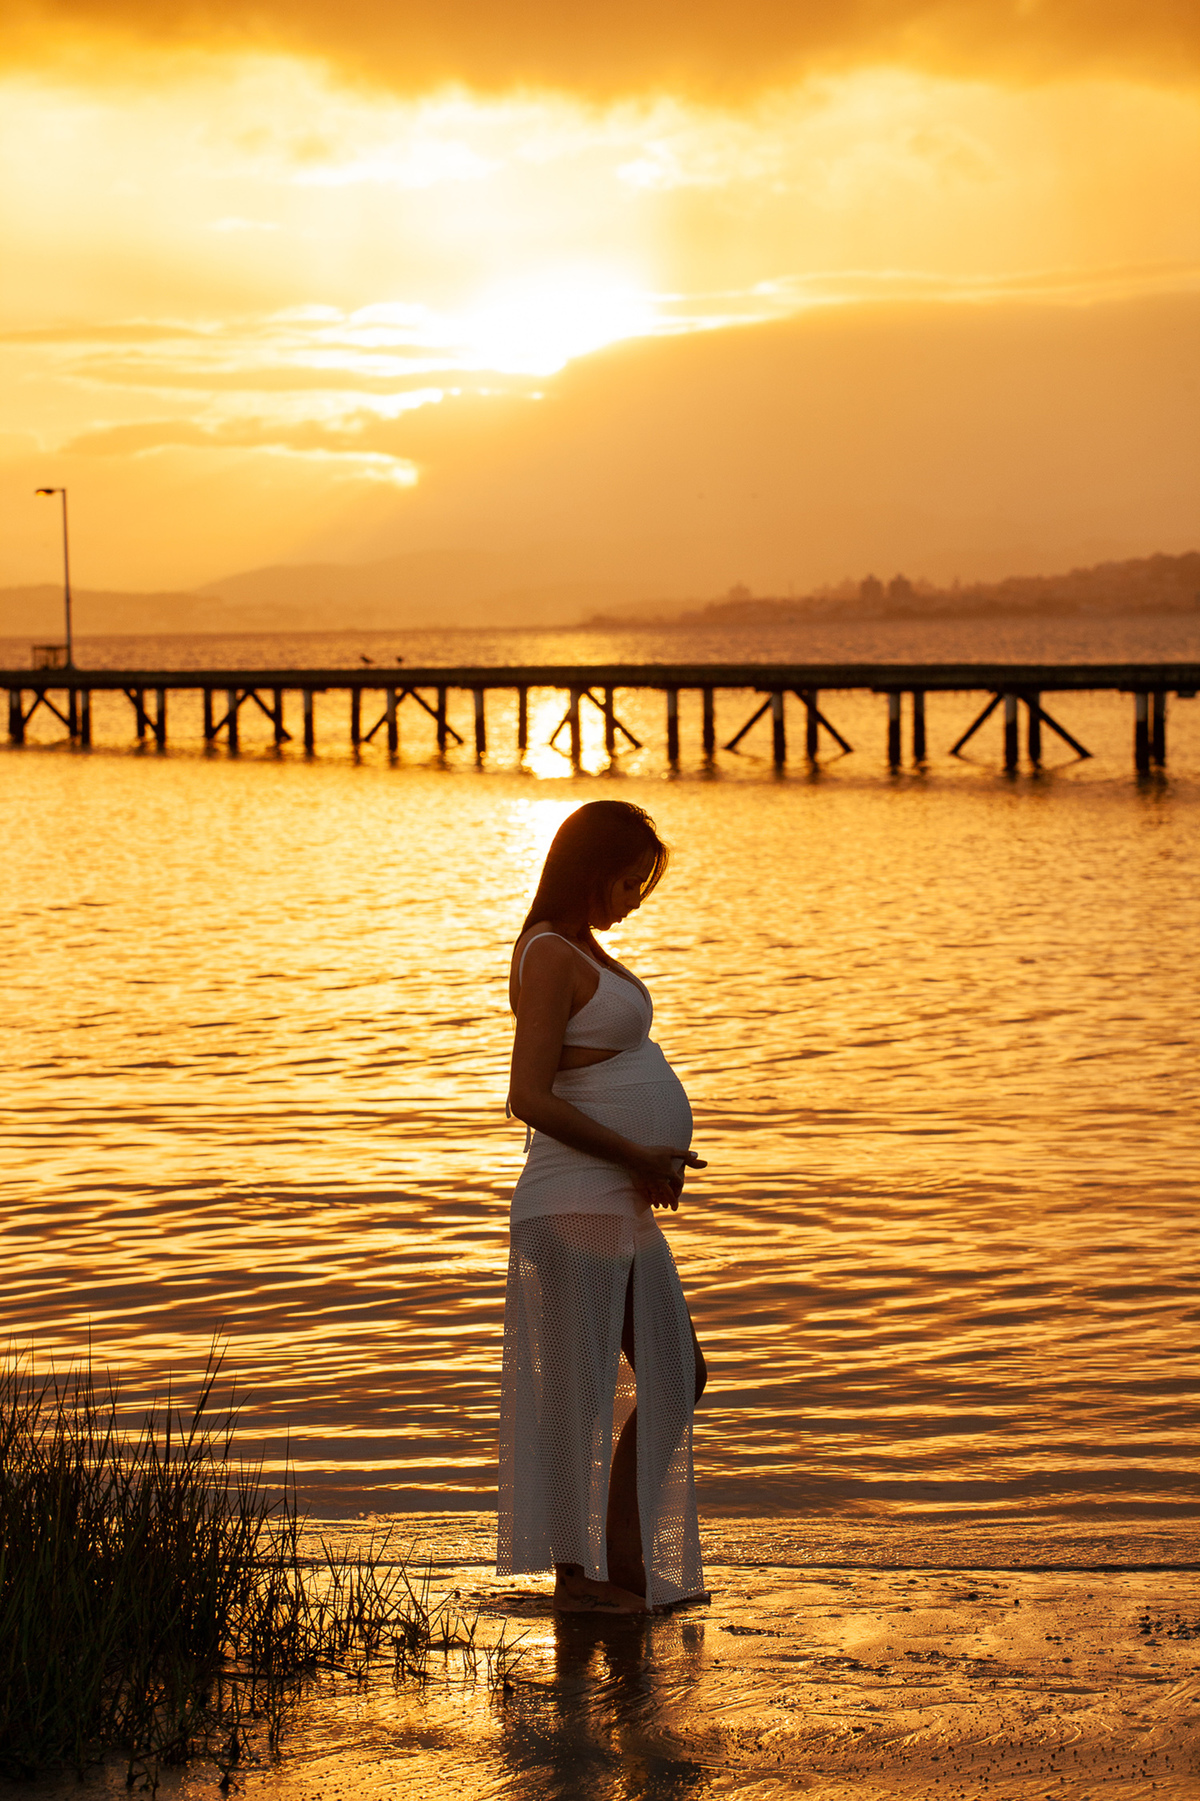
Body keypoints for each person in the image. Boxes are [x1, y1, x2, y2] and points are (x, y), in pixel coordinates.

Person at [497, 800, 708, 1614]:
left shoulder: (586, 949)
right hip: (573, 1200)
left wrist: (647, 1160)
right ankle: (580, 1580)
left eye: (643, 884)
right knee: (585, 1389)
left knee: (677, 1371)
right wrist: (631, 1152)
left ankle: (617, 1566)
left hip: (618, 1200)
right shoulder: (549, 952)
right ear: (589, 871)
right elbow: (528, 1095)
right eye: (627, 880)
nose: (634, 899)